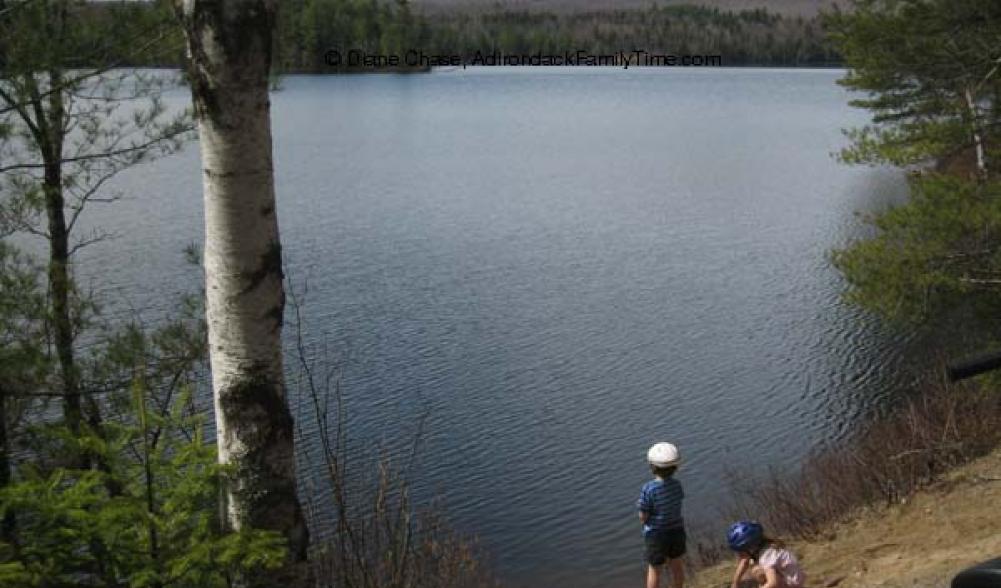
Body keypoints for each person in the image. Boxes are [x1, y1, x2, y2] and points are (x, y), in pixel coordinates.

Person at [637, 442, 686, 588]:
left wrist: (644, 520)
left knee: (654, 569)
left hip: (656, 534)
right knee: (676, 565)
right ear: (675, 466)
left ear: (652, 466)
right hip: (677, 530)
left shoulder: (648, 488)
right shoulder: (677, 485)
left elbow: (643, 515)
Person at [727, 520, 805, 588]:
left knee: (757, 571)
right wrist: (735, 583)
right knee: (752, 573)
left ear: (751, 548)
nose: (740, 555)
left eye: (741, 551)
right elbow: (744, 562)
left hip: (792, 584)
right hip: (791, 578)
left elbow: (773, 582)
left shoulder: (766, 555)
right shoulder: (765, 546)